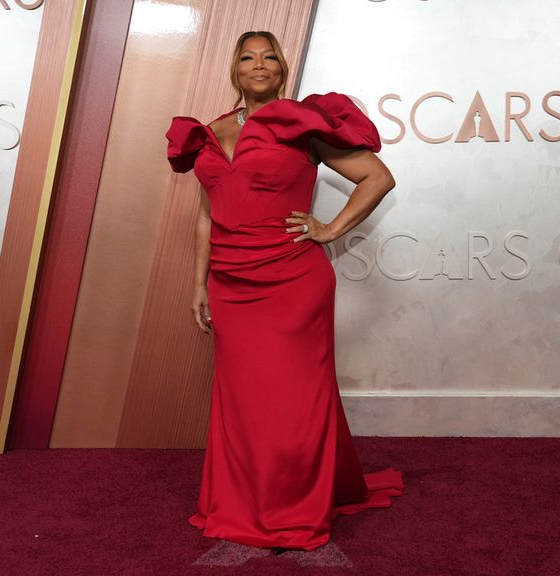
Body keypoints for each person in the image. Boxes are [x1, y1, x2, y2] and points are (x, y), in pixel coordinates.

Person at [165, 30, 404, 554]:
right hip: (229, 284)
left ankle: (293, 511)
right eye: (248, 56)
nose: (259, 64)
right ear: (234, 69)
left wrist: (329, 229)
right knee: (243, 403)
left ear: (282, 69)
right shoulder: (211, 131)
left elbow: (376, 177)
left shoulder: (302, 126)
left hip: (292, 279)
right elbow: (209, 210)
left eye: (269, 56)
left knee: (292, 401)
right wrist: (198, 282)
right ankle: (244, 505)